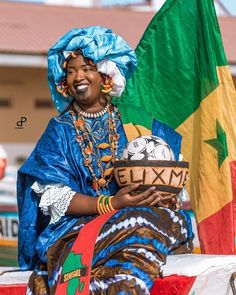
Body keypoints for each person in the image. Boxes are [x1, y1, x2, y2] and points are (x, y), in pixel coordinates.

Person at [17, 26, 193, 295]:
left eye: (87, 68)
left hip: (135, 215)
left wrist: (162, 196)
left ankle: (123, 282)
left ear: (106, 73)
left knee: (175, 221)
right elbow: (55, 199)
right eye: (71, 71)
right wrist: (112, 203)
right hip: (76, 230)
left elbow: (172, 167)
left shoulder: (136, 121)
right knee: (140, 226)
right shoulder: (59, 130)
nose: (78, 77)